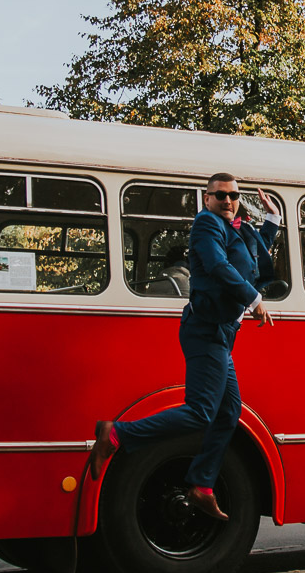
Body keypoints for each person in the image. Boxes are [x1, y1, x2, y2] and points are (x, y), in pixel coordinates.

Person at [87, 173, 280, 519]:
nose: (227, 200)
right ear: (206, 199)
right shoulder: (207, 225)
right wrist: (253, 299)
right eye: (220, 195)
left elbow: (255, 255)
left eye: (233, 195)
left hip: (220, 333)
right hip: (206, 330)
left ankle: (202, 484)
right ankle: (116, 434)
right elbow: (217, 266)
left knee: (227, 413)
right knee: (202, 411)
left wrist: (272, 219)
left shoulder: (236, 228)